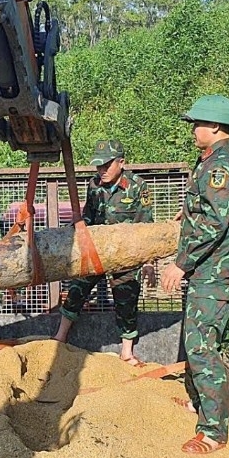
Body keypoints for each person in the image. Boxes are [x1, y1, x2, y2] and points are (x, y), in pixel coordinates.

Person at [161, 95, 229, 455]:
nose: (193, 130)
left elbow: (215, 221)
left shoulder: (221, 164)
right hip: (210, 265)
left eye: (197, 124)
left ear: (214, 126)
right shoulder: (217, 159)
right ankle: (200, 403)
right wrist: (187, 214)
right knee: (197, 336)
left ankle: (213, 431)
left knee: (200, 345)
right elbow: (210, 208)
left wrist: (180, 263)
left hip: (216, 266)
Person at [53, 140, 156, 365]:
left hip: (126, 254)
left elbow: (147, 228)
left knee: (126, 298)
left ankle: (127, 353)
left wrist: (148, 262)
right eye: (99, 165)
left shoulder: (137, 187)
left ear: (121, 162)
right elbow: (88, 218)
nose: (102, 170)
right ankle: (59, 338)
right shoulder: (94, 185)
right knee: (77, 289)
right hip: (97, 252)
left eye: (107, 165)